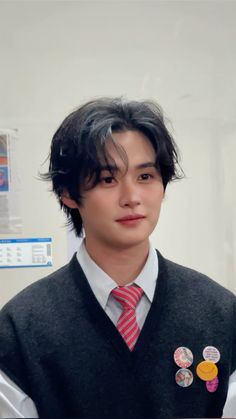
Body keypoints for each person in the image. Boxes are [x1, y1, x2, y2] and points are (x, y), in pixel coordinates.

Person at [0, 97, 235, 418]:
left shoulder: (220, 312)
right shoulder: (20, 327)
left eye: (145, 177)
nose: (132, 198)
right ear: (67, 193)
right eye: (108, 179)